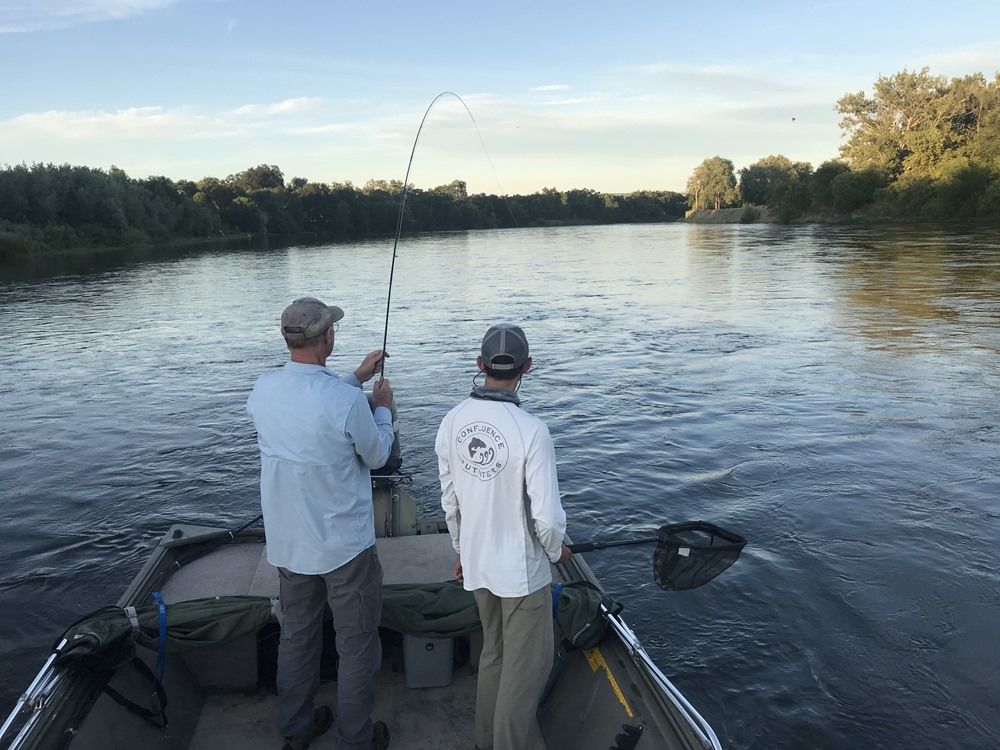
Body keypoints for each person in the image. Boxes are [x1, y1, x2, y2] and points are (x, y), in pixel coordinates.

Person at [246, 296, 393, 750]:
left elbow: (311, 406)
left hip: (290, 547)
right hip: (345, 550)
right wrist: (382, 407)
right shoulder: (349, 403)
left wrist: (356, 377)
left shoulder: (262, 390)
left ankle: (296, 728)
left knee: (297, 636)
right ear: (327, 336)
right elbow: (379, 454)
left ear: (287, 338)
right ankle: (355, 741)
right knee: (356, 645)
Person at [435, 323, 571, 750]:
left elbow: (450, 501)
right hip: (522, 575)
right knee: (525, 670)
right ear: (527, 368)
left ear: (480, 365)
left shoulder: (451, 421)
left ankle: (485, 741)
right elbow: (547, 520)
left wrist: (460, 549)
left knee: (493, 654)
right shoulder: (532, 431)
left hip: (477, 566)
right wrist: (557, 551)